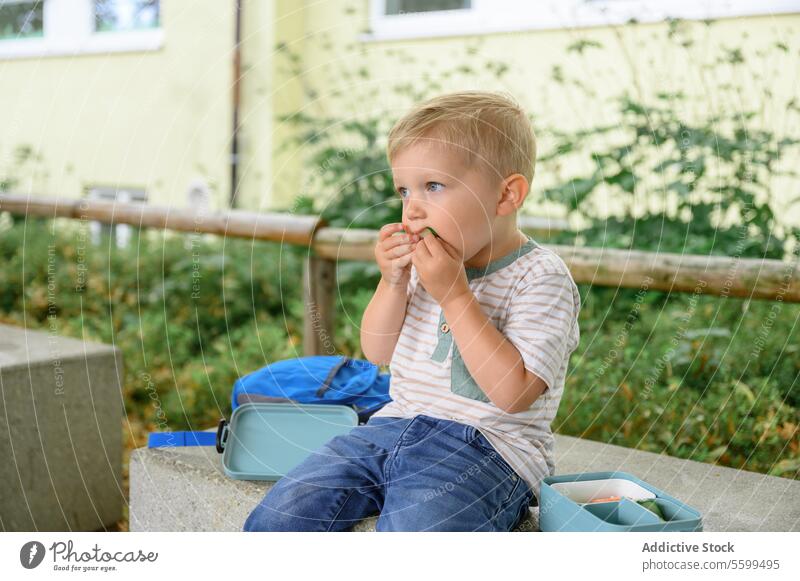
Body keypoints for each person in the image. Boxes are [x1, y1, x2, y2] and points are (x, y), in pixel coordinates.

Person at [243, 90, 581, 532]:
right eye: (404, 190)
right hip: (391, 425)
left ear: (506, 195)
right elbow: (377, 351)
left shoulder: (541, 278)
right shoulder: (431, 263)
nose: (412, 208)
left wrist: (457, 296)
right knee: (279, 515)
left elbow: (513, 394)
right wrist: (392, 280)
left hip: (489, 450)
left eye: (433, 186)